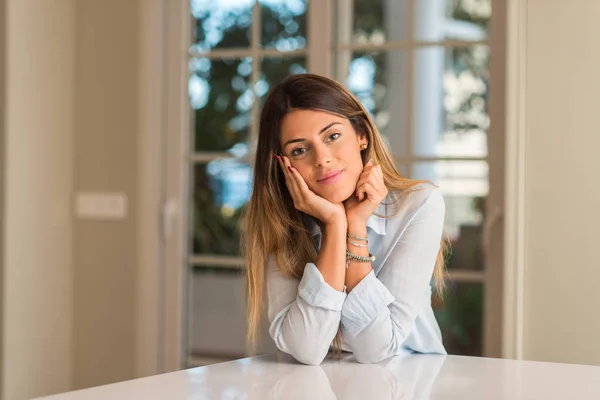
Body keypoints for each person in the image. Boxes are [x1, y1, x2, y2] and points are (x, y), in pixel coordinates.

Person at [241, 73, 447, 365]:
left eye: (332, 136)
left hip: (408, 376)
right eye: (300, 150)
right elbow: (306, 349)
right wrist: (336, 224)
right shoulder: (280, 220)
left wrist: (357, 227)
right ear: (285, 166)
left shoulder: (419, 204)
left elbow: (376, 351)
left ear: (361, 135)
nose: (322, 158)